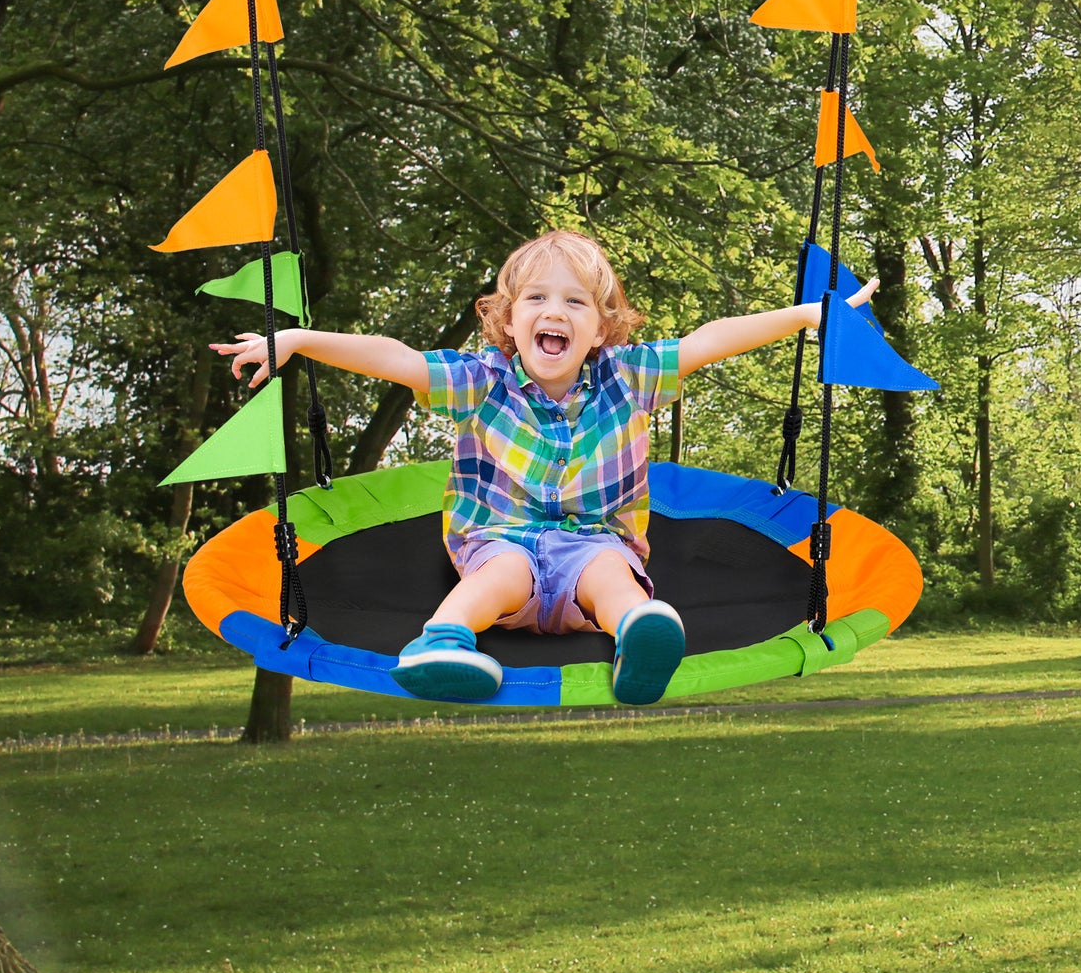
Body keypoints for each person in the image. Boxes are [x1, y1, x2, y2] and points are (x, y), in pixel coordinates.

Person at [213, 230, 877, 706]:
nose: (552, 311)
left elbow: (709, 338)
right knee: (501, 568)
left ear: (601, 329)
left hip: (594, 543)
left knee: (609, 574)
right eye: (535, 299)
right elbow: (395, 357)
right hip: (497, 542)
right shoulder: (480, 378)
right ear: (507, 319)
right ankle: (441, 640)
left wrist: (804, 314)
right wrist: (298, 339)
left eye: (574, 303)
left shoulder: (629, 374)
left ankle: (638, 633)